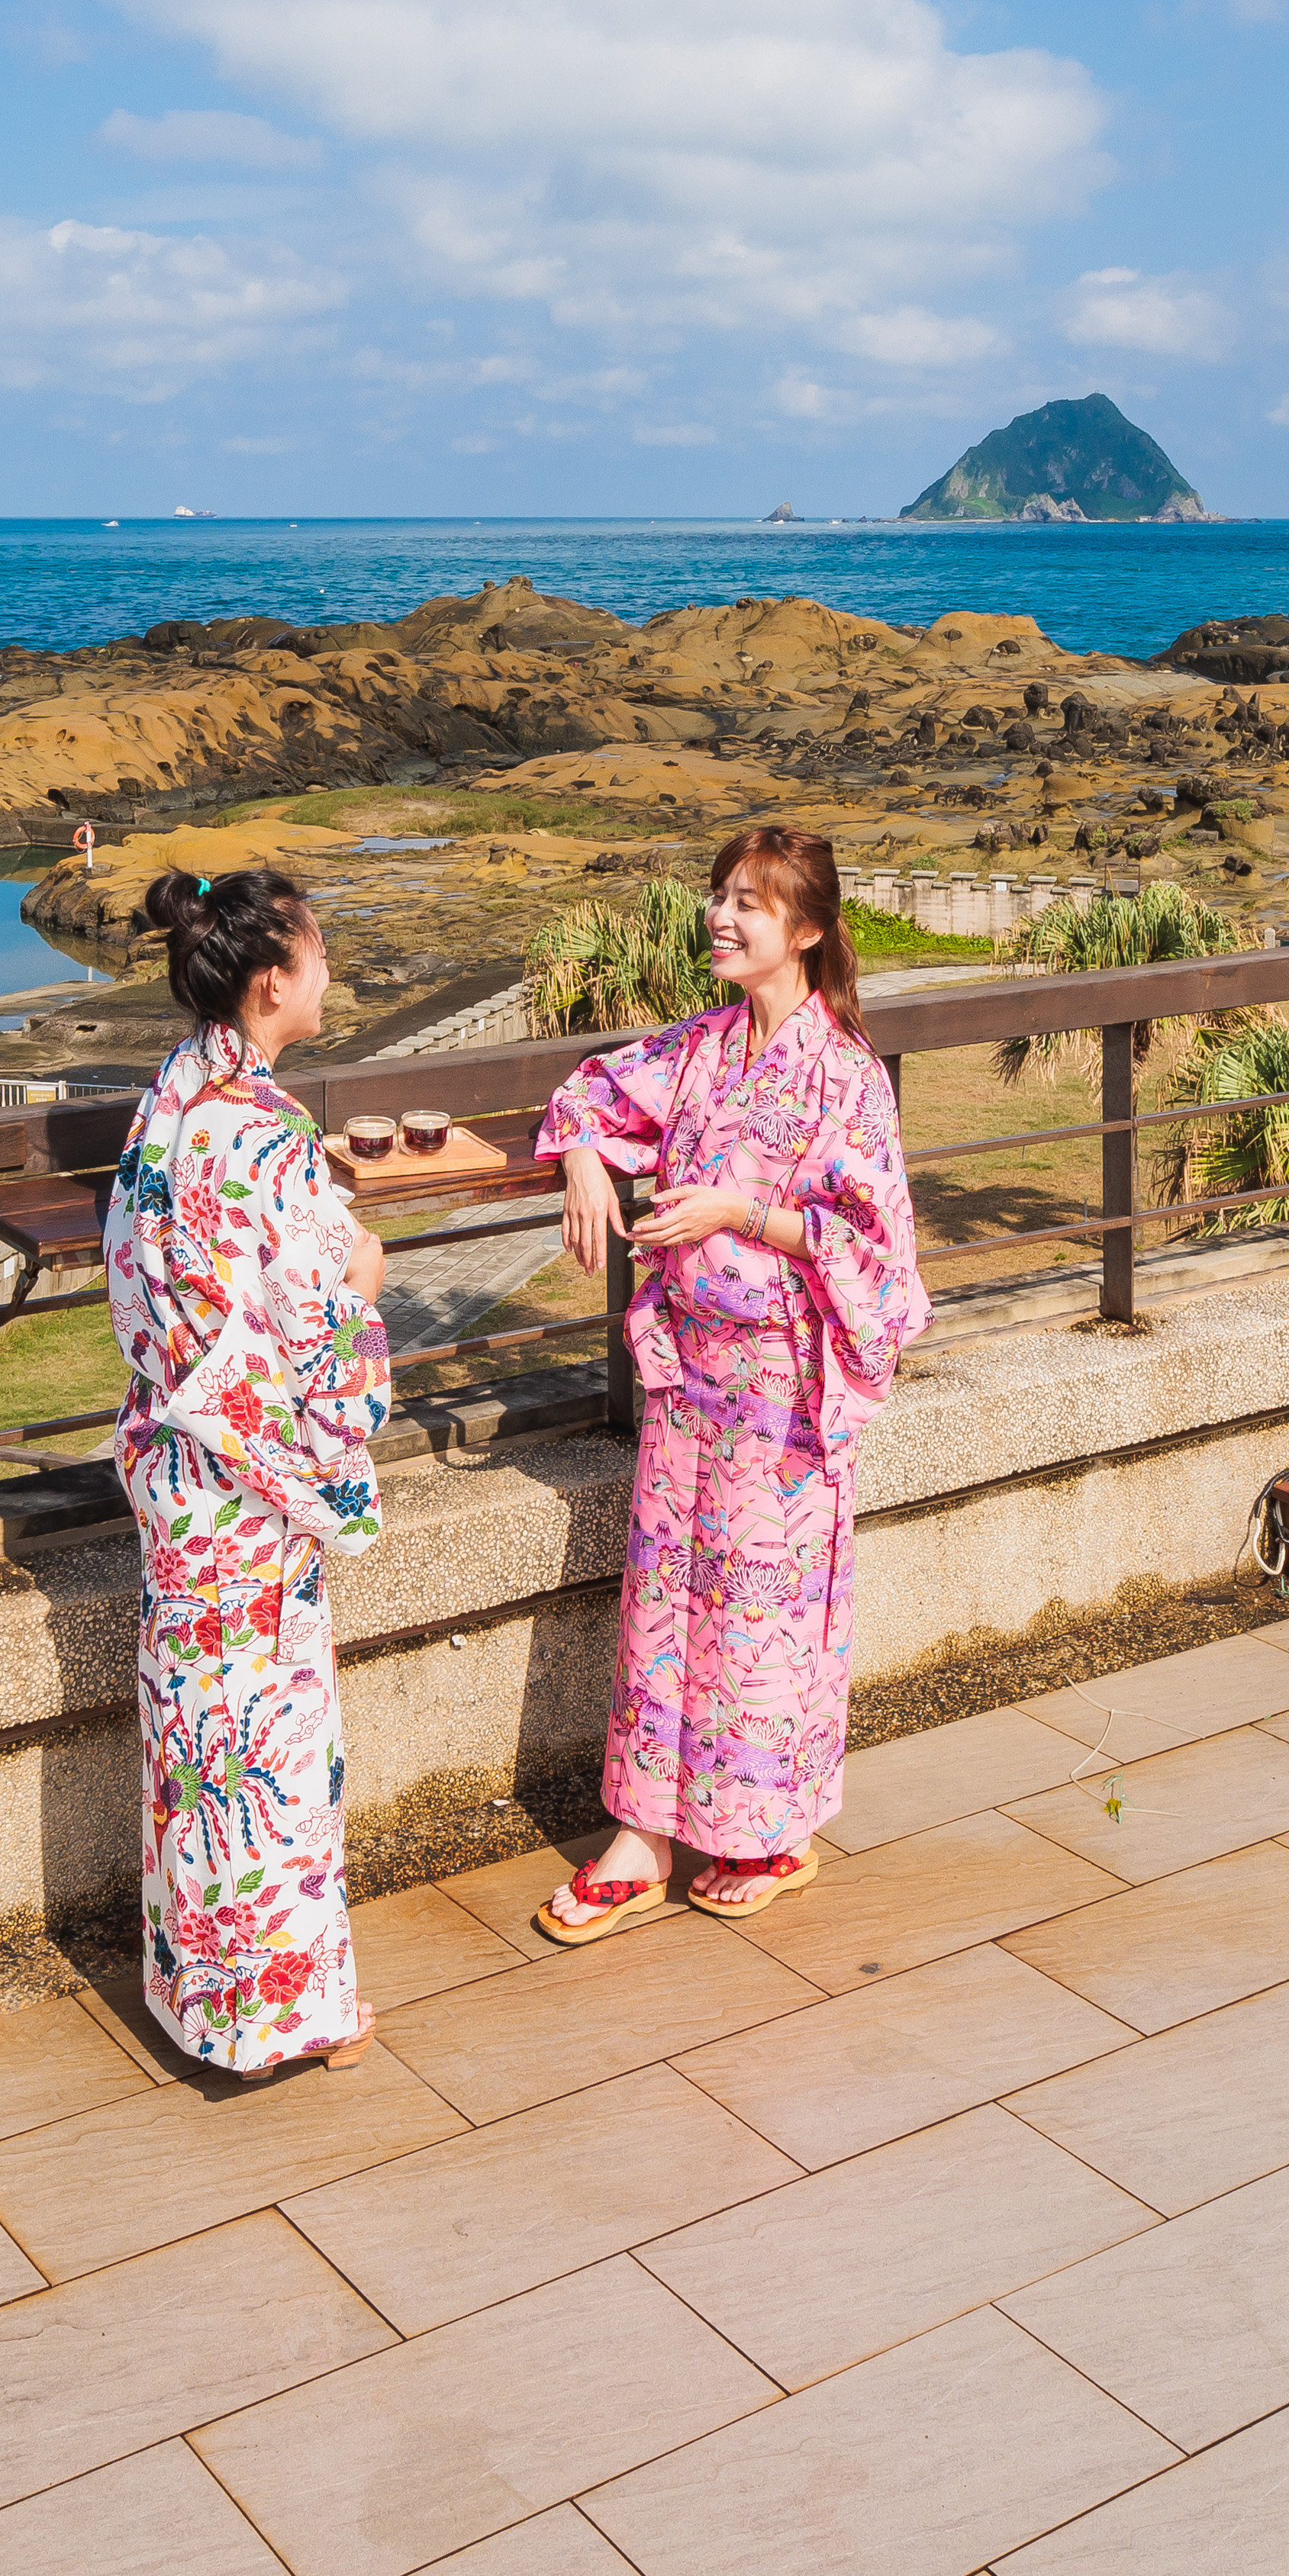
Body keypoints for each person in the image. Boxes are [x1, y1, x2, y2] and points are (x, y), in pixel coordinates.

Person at [529, 824, 926, 1940]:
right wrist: (577, 1156)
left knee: (764, 1614)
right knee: (665, 1607)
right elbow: (591, 1091)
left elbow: (883, 1257)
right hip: (689, 1381)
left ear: (804, 930)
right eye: (718, 895)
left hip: (785, 1390)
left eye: (748, 903)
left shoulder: (846, 1074)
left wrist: (739, 1211)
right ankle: (643, 1833)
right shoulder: (701, 1046)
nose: (721, 916)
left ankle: (771, 1827)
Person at [97, 864, 393, 2071]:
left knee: (192, 1740)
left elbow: (141, 1274)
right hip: (252, 1484)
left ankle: (192, 1999)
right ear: (274, 981)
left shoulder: (166, 1104)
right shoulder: (270, 1136)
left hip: (178, 1463)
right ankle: (279, 2019)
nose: (329, 973)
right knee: (264, 1756)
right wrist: (366, 1279)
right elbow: (320, 1332)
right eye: (320, 955)